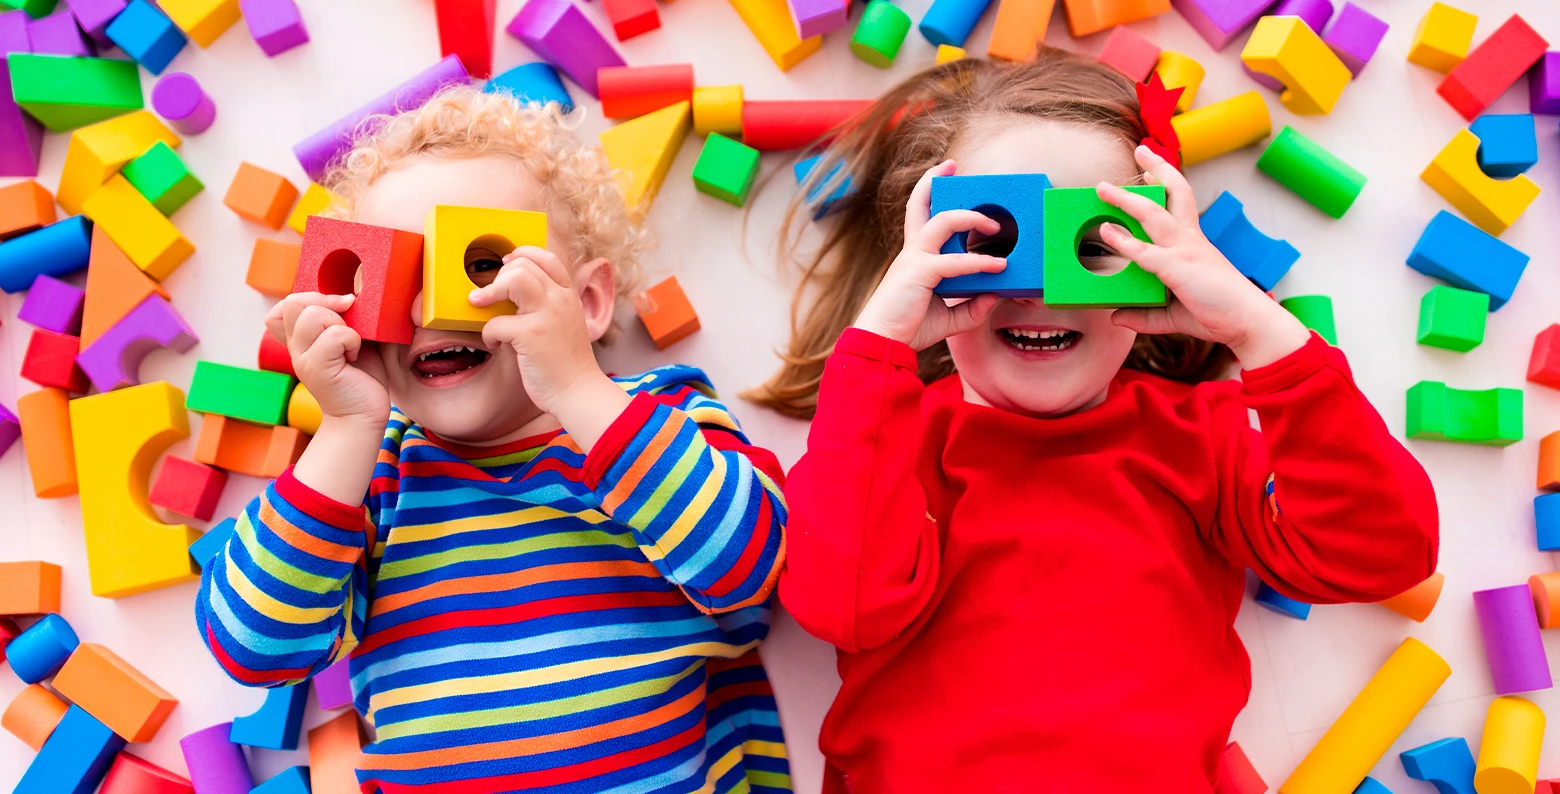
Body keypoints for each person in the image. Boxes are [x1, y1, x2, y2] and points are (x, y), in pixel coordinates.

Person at [749, 53, 1438, 792]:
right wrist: (877, 349)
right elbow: (843, 609)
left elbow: (1385, 554)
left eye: (1092, 248)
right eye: (996, 247)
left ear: (1158, 266)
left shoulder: (1201, 439)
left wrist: (1258, 332)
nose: (1043, 292)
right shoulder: (885, 440)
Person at [196, 87, 791, 793]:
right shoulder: (370, 478)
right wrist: (347, 427)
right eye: (392, 280)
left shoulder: (656, 419)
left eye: (480, 265)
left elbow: (752, 567)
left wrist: (577, 388)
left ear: (588, 303)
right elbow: (254, 648)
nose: (428, 309)